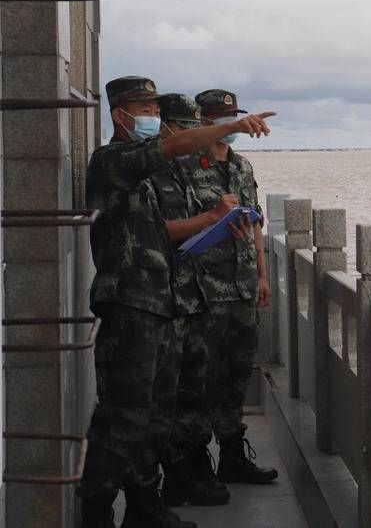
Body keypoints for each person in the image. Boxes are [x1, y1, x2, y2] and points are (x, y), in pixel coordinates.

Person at [79, 76, 274, 528]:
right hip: (130, 307)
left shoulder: (144, 181)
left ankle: (145, 507)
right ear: (120, 115)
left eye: (154, 109)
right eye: (146, 110)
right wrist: (235, 126)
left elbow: (162, 236)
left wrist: (214, 225)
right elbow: (170, 149)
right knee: (122, 418)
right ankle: (95, 512)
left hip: (162, 304)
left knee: (154, 415)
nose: (153, 119)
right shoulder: (113, 161)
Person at [150, 93, 253, 508]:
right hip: (181, 293)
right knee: (181, 391)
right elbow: (163, 230)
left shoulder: (237, 167)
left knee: (222, 377)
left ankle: (205, 465)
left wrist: (260, 271)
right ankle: (174, 477)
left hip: (218, 287)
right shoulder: (159, 171)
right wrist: (211, 219)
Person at [185, 88, 276, 484]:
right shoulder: (187, 166)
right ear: (202, 121)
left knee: (237, 373)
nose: (228, 125)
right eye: (221, 118)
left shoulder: (242, 167)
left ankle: (234, 456)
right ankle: (195, 461)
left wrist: (261, 273)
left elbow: (254, 222)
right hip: (202, 289)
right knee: (200, 376)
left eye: (232, 117)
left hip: (240, 288)